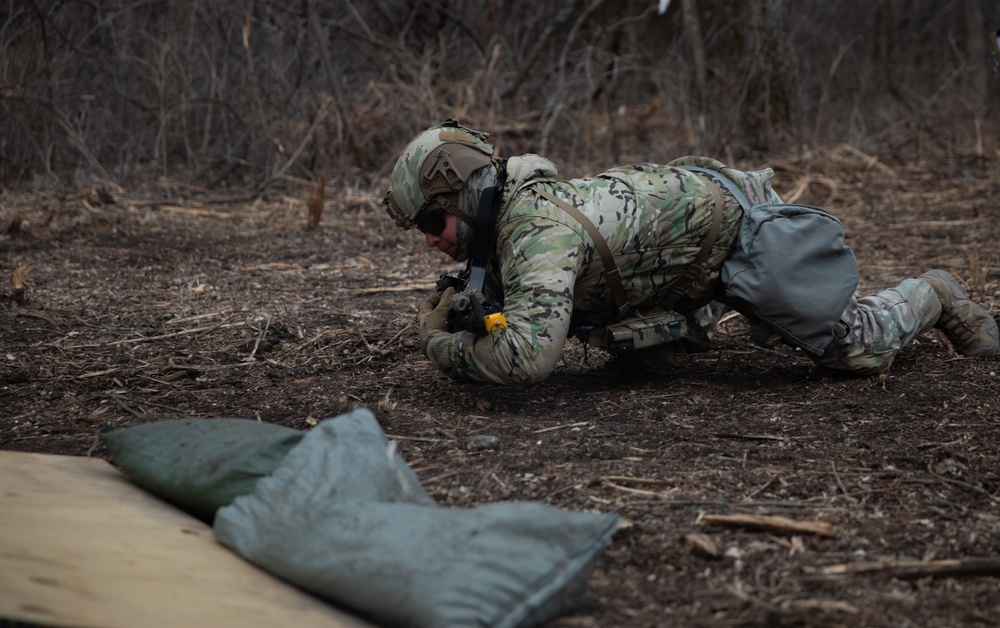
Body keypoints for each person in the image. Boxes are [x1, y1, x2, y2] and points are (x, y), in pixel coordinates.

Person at [383, 119, 998, 385]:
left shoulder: (536, 227)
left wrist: (442, 345)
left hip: (734, 238)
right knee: (635, 364)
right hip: (680, 245)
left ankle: (934, 295)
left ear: (465, 196)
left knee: (856, 351)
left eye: (434, 220)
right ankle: (664, 339)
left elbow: (525, 361)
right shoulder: (512, 211)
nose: (432, 240)